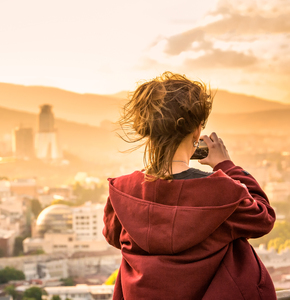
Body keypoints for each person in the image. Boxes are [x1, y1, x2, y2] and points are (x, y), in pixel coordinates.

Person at [103, 72, 276, 299]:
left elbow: (114, 236)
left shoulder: (123, 191)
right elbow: (263, 218)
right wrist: (227, 166)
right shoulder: (223, 193)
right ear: (196, 131)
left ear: (146, 131)